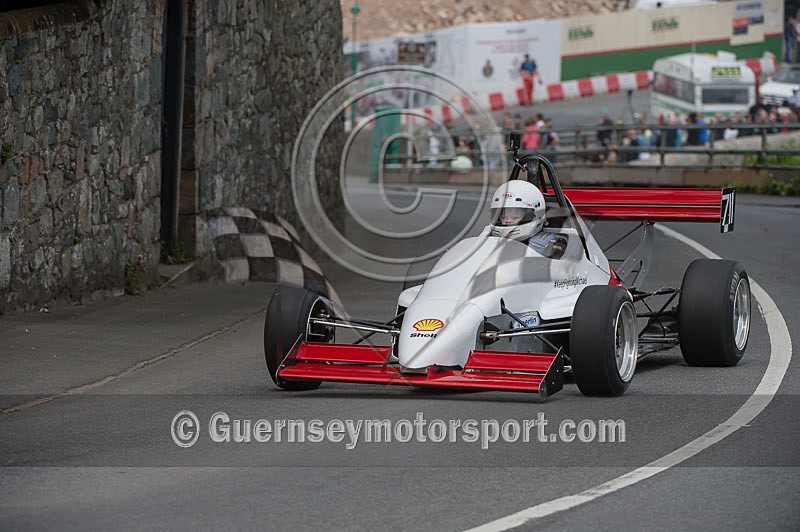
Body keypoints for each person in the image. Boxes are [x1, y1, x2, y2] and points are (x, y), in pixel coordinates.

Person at [488, 180, 567, 259]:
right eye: (503, 217)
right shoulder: (488, 240)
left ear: (537, 215)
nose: (507, 222)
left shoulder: (552, 246)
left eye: (514, 217)